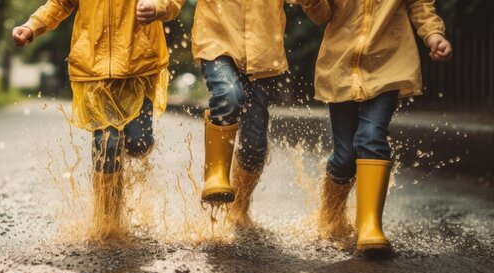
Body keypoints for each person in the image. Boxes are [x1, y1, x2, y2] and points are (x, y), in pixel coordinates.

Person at [11, 0, 184, 240]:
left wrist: (158, 6)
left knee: (139, 143)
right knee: (108, 143)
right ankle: (108, 220)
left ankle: (119, 192)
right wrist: (32, 27)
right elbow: (60, 3)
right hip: (94, 70)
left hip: (139, 66)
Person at [298, 0, 453, 257]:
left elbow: (420, 4)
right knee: (345, 156)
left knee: (371, 137)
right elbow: (321, 15)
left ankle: (370, 225)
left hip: (388, 65)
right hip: (341, 67)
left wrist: (433, 34)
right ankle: (331, 217)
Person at [192, 0, 289, 229]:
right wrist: (159, 6)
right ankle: (216, 176)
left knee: (255, 145)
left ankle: (240, 208)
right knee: (228, 95)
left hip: (262, 51)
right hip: (216, 40)